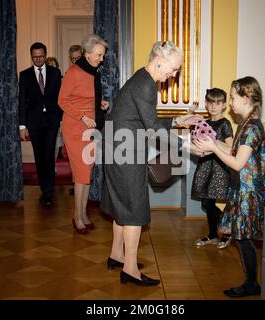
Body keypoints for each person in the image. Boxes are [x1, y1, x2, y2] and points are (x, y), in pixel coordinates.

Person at [101, 40, 202, 286]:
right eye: (174, 68)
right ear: (159, 59)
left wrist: (177, 122)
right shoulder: (147, 86)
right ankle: (130, 269)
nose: (174, 73)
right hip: (126, 154)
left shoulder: (141, 78)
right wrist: (186, 145)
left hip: (115, 150)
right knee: (134, 210)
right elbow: (153, 129)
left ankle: (117, 254)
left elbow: (144, 121)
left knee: (121, 205)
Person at [194, 76, 265, 298]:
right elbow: (235, 152)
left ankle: (251, 284)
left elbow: (237, 163)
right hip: (241, 189)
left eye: (234, 97)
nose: (231, 102)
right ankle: (251, 283)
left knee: (243, 238)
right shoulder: (245, 124)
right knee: (241, 238)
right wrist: (212, 144)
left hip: (248, 192)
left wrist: (213, 148)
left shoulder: (252, 128)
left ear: (246, 99)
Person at [58, 34, 110, 234]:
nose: (101, 58)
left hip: (91, 128)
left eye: (103, 55)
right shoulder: (74, 71)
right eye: (98, 55)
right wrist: (83, 117)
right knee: (81, 175)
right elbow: (62, 100)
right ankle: (76, 217)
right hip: (76, 128)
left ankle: (84, 214)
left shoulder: (93, 72)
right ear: (87, 54)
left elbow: (86, 97)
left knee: (86, 174)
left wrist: (100, 104)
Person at [19, 42, 62, 207]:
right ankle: (44, 188)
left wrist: (62, 119)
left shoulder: (55, 73)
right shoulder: (25, 75)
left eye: (41, 56)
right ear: (31, 56)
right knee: (39, 156)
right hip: (34, 122)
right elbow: (21, 101)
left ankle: (49, 192)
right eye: (35, 56)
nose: (38, 59)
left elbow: (60, 98)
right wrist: (22, 126)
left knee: (49, 155)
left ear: (45, 55)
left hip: (52, 121)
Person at [191, 88, 233, 249]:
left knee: (210, 202)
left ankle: (227, 231)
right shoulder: (205, 123)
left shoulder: (225, 123)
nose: (214, 106)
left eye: (218, 103)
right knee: (206, 202)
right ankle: (214, 235)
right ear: (206, 104)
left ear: (223, 105)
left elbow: (231, 148)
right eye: (210, 102)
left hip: (219, 168)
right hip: (205, 165)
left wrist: (216, 146)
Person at [45, 56, 63, 167]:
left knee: (57, 142)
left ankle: (53, 165)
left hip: (57, 115)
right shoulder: (41, 80)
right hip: (45, 116)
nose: (52, 67)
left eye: (53, 65)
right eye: (49, 65)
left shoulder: (61, 79)